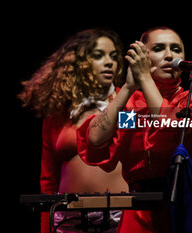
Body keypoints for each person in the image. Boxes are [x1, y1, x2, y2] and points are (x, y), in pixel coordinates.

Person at [77, 26, 192, 233]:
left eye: (177, 49)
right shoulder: (131, 106)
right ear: (142, 57)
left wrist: (145, 79)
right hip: (139, 212)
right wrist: (127, 88)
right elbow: (96, 139)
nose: (170, 55)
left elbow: (169, 127)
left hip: (185, 207)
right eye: (159, 48)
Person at [18, 28, 128, 233]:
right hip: (68, 219)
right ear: (79, 62)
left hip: (119, 216)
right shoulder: (59, 113)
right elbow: (48, 176)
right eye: (98, 55)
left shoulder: (129, 103)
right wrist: (46, 227)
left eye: (114, 56)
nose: (109, 62)